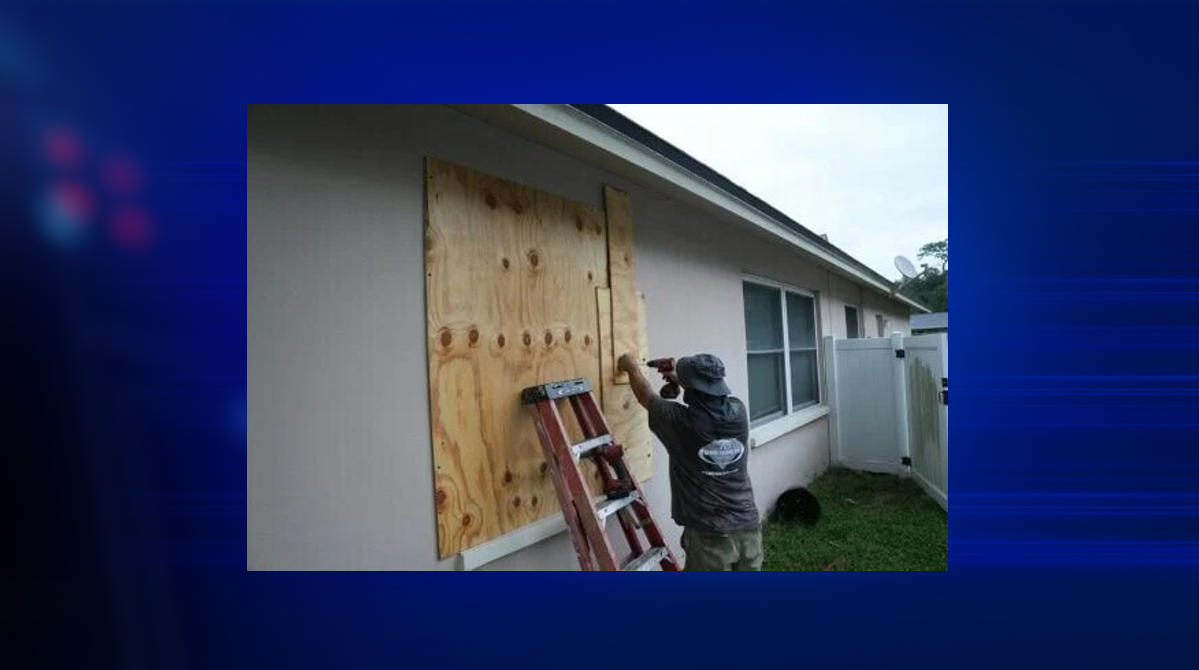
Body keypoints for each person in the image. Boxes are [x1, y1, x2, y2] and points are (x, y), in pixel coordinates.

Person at [616, 352, 763, 571]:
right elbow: (708, 402)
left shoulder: (680, 422)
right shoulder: (738, 411)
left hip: (710, 534)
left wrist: (630, 367)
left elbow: (645, 395)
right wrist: (684, 380)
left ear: (691, 388)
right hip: (748, 526)